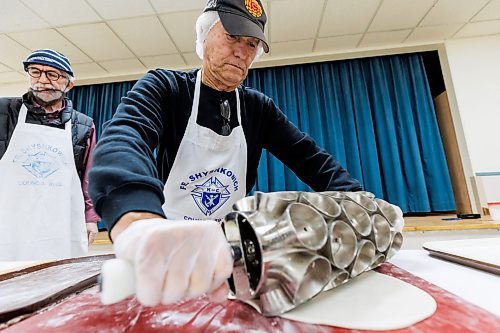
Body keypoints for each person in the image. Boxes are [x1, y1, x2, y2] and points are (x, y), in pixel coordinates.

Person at [89, 0, 372, 306]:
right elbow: (125, 137)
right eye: (232, 37)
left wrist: (359, 204)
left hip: (230, 253)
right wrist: (138, 219)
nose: (242, 51)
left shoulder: (258, 109)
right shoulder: (166, 89)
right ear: (203, 35)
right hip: (164, 249)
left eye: (251, 43)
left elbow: (311, 159)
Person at [0, 49, 100, 260]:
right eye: (35, 71)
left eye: (53, 74)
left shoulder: (83, 125)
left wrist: (90, 218)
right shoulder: (4, 111)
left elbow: (88, 177)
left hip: (60, 222)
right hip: (9, 219)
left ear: (69, 84)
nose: (43, 80)